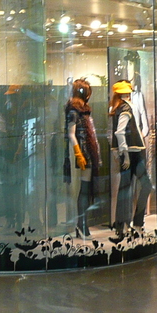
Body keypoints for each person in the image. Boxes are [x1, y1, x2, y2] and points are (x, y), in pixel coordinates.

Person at [110, 80, 153, 238]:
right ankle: (133, 224)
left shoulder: (118, 107)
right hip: (132, 152)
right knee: (141, 187)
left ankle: (125, 225)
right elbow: (119, 132)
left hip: (129, 152)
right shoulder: (126, 107)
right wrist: (125, 154)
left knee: (126, 189)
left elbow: (117, 132)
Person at [64, 79, 100, 239]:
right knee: (84, 190)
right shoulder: (73, 111)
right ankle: (81, 225)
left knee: (86, 188)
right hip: (83, 153)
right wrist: (78, 154)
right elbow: (71, 134)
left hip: (89, 151)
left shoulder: (84, 110)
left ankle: (82, 224)